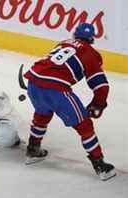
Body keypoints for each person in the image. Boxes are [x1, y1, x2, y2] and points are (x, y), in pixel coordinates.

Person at [23, 23, 116, 181]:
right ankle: (100, 165)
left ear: (74, 34)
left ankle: (33, 149)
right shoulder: (92, 54)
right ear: (92, 39)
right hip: (56, 90)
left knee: (42, 113)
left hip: (33, 81)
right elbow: (101, 86)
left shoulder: (64, 42)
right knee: (84, 125)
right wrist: (98, 104)